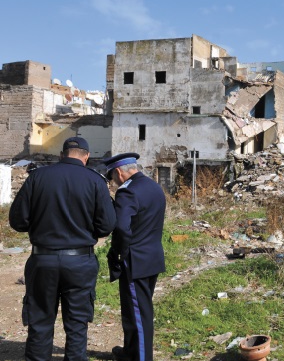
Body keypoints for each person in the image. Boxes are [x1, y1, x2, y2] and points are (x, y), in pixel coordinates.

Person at [9, 136, 116, 361]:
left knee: (40, 321)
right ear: (86, 157)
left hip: (43, 259)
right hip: (80, 261)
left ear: (61, 155)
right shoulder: (95, 181)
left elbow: (18, 221)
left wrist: (40, 225)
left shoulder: (37, 177)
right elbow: (106, 226)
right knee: (77, 324)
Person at [104, 152, 166, 361]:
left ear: (119, 173)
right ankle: (130, 352)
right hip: (153, 256)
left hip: (135, 261)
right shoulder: (154, 187)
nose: (113, 183)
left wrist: (118, 252)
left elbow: (122, 227)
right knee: (135, 311)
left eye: (112, 178)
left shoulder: (127, 192)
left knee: (138, 315)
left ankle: (141, 357)